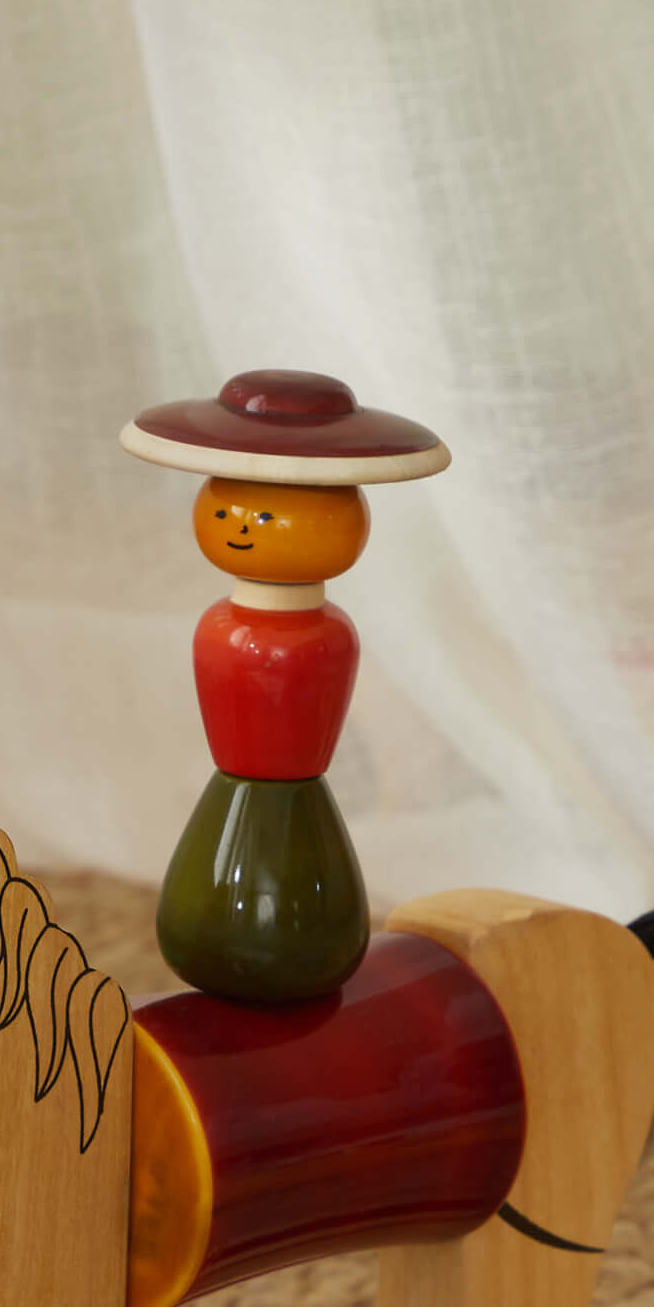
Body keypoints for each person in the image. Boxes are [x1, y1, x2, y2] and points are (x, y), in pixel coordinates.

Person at [121, 369, 448, 1003]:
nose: (242, 525)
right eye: (227, 510)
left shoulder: (327, 636)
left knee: (288, 908)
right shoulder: (224, 628)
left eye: (268, 515)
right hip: (240, 795)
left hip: (295, 803)